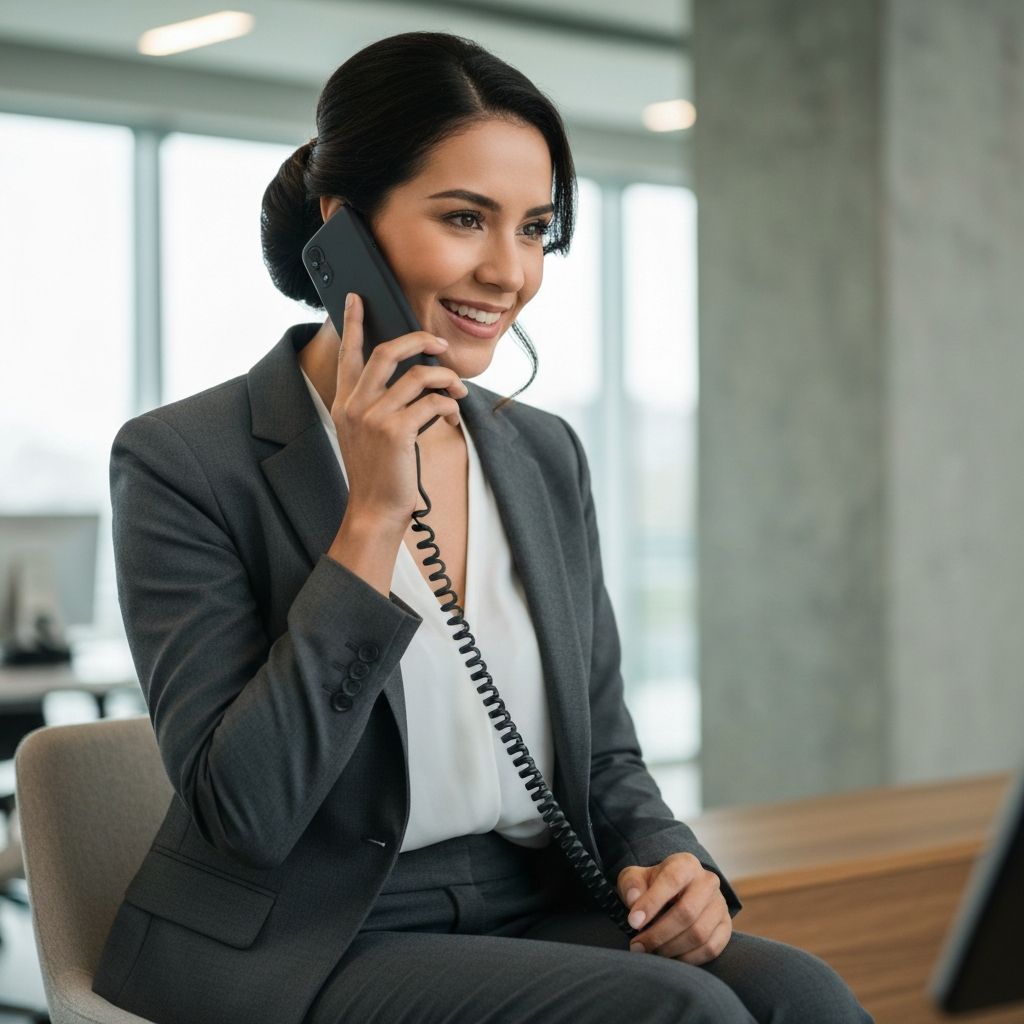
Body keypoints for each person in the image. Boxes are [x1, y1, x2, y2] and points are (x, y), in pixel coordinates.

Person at [92, 31, 872, 1024]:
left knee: (804, 995)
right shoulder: (184, 458)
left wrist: (668, 860)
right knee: (684, 1017)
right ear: (343, 233)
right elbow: (241, 813)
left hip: (525, 899)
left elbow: (603, 761)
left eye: (536, 228)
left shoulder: (541, 453)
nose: (509, 272)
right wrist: (372, 517)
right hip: (310, 935)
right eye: (466, 218)